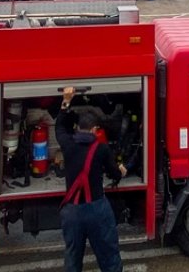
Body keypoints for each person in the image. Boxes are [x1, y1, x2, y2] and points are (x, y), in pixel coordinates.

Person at [57, 86, 125, 272]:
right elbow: (114, 174)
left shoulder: (67, 144)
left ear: (77, 128)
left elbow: (60, 126)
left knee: (72, 259)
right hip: (97, 210)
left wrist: (66, 100)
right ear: (95, 129)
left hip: (72, 213)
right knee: (109, 258)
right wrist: (120, 170)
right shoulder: (102, 149)